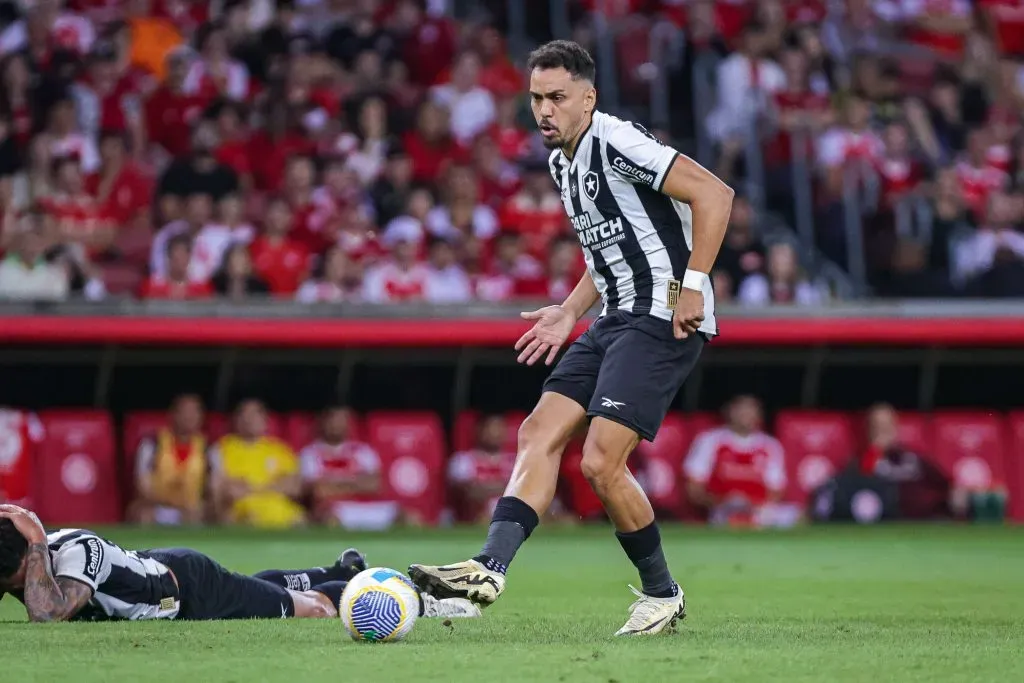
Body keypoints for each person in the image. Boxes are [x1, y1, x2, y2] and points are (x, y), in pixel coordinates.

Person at [409, 40, 733, 636]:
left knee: (602, 463)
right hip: (614, 315)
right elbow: (607, 249)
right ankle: (487, 570)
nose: (544, 111)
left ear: (588, 98)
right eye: (536, 98)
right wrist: (568, 310)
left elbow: (715, 193)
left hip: (662, 314)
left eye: (557, 98)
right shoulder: (564, 161)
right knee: (537, 432)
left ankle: (663, 595)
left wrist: (693, 285)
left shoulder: (617, 141)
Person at [0, 505, 479, 623]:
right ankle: (337, 567)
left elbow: (47, 611)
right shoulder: (21, 564)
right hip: (165, 572)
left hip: (190, 591)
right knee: (254, 587)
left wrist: (37, 536)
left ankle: (415, 598)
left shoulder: (73, 551)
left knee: (309, 608)